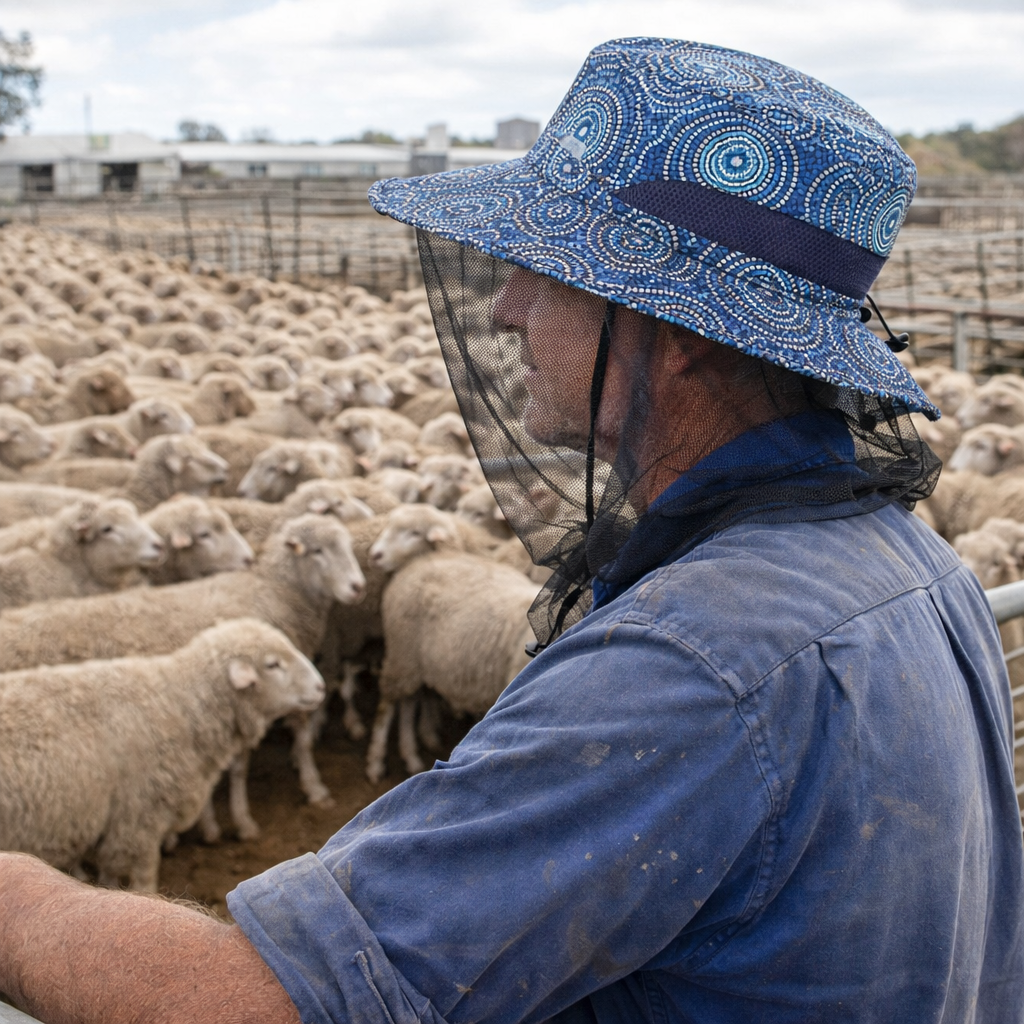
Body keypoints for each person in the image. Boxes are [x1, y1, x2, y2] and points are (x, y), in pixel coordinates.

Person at [2, 37, 1023, 1024]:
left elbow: (272, 1004)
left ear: (668, 332)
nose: (503, 308)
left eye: (550, 274)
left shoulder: (688, 665)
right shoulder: (918, 567)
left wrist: (19, 898)